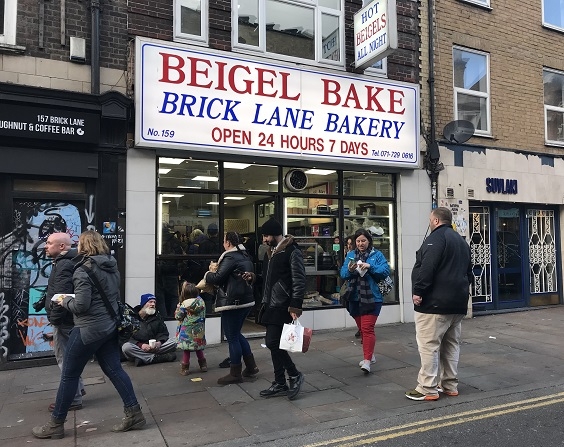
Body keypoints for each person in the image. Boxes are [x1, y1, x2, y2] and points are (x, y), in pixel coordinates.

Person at [32, 230, 145, 439]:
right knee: (115, 370)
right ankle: (134, 414)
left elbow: (81, 305)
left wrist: (63, 300)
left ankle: (56, 425)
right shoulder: (111, 265)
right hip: (109, 327)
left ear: (84, 247)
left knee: (69, 375)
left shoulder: (83, 270)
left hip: (87, 329)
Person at [405, 207, 472, 401]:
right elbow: (469, 272)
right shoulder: (460, 241)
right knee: (451, 345)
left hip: (434, 303)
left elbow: (427, 267)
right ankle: (450, 385)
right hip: (457, 303)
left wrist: (418, 291)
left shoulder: (436, 238)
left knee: (429, 345)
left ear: (435, 221)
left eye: (430, 220)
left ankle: (427, 388)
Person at [254, 218, 305, 400]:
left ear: (275, 234)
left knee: (273, 342)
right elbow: (268, 279)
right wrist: (253, 277)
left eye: (266, 236)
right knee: (275, 344)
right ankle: (280, 382)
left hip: (283, 305)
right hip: (270, 304)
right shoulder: (270, 253)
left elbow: (299, 280)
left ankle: (294, 375)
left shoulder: (292, 251)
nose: (264, 239)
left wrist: (295, 305)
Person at [204, 231, 258, 385]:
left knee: (232, 337)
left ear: (228, 243)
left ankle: (235, 373)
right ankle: (251, 367)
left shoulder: (230, 256)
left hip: (233, 302)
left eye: (224, 241)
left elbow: (218, 278)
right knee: (237, 334)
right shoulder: (245, 255)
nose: (222, 244)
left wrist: (208, 273)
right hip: (246, 300)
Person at [44, 232, 85, 412]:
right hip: (69, 320)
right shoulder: (67, 262)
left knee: (65, 360)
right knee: (71, 358)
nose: (46, 245)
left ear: (62, 246)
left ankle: (73, 398)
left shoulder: (64, 264)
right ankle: (78, 390)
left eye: (49, 242)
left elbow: (61, 295)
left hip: (65, 321)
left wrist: (54, 320)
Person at [340, 228, 390, 374]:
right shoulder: (350, 255)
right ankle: (370, 355)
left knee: (367, 329)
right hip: (354, 297)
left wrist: (370, 266)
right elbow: (342, 273)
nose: (361, 243)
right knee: (362, 329)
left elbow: (385, 271)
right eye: (358, 241)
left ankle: (367, 361)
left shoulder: (377, 255)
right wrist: (350, 269)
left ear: (369, 241)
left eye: (363, 240)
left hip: (372, 298)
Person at [121, 293, 177, 366]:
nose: (153, 304)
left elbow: (163, 333)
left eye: (154, 302)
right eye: (150, 302)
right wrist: (141, 345)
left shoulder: (157, 317)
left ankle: (143, 358)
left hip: (155, 347)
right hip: (139, 348)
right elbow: (126, 337)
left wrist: (159, 343)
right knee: (126, 347)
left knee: (176, 341)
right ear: (143, 304)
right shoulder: (131, 317)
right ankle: (158, 358)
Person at [175, 282, 207, 376]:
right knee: (198, 347)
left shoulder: (184, 304)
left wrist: (177, 309)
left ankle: (185, 368)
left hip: (187, 331)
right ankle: (203, 365)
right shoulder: (201, 302)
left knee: (186, 349)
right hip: (199, 330)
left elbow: (178, 316)